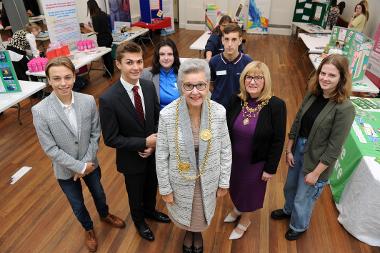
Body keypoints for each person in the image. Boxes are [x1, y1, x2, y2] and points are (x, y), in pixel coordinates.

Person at [31, 57, 125, 253]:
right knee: (77, 204)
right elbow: (50, 148)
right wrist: (79, 167)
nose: (63, 83)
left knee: (99, 193)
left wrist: (86, 164)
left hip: (90, 163)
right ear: (48, 80)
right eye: (56, 78)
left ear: (75, 76)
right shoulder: (39, 111)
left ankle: (104, 214)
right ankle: (88, 228)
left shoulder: (88, 101)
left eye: (67, 77)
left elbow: (94, 133)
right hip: (65, 170)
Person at [271, 54, 355, 241]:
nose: (325, 78)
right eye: (322, 73)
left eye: (331, 75)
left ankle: (298, 226)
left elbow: (334, 148)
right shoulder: (312, 94)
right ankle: (288, 210)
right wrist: (289, 148)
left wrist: (316, 173)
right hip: (299, 147)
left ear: (342, 78)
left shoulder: (345, 108)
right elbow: (298, 120)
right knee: (291, 186)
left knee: (305, 196)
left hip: (318, 159)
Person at [156, 58, 232, 253]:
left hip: (208, 178)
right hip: (180, 179)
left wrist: (224, 181)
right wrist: (165, 188)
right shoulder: (167, 115)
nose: (195, 91)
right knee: (185, 215)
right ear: (181, 86)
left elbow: (225, 149)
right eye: (188, 86)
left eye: (200, 85)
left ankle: (196, 234)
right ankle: (189, 233)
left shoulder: (219, 112)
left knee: (200, 215)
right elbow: (161, 155)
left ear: (208, 85)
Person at [99, 41, 170, 242]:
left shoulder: (147, 86)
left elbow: (157, 119)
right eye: (129, 62)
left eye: (139, 61)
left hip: (152, 152)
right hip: (131, 160)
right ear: (118, 64)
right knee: (135, 193)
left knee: (151, 186)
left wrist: (152, 143)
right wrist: (142, 143)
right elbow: (111, 138)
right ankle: (139, 221)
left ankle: (150, 211)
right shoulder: (108, 99)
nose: (136, 67)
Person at [225, 61, 286, 240]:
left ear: (265, 80)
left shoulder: (276, 105)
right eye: (249, 77)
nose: (252, 81)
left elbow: (278, 139)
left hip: (256, 162)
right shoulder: (236, 100)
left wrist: (270, 168)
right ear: (243, 80)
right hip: (234, 159)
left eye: (258, 77)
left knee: (250, 192)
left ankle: (245, 220)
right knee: (235, 187)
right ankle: (237, 208)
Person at [209, 23, 252, 108]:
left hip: (239, 108)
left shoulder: (248, 62)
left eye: (234, 39)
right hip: (217, 107)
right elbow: (211, 85)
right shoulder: (214, 61)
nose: (229, 44)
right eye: (226, 39)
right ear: (222, 40)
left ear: (240, 41)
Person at [141, 38, 181, 109]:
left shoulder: (183, 74)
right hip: (157, 118)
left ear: (174, 56)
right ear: (157, 57)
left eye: (169, 54)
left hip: (178, 117)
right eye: (162, 54)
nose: (166, 58)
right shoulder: (146, 74)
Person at [87, 0, 114, 77]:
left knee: (105, 57)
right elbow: (105, 26)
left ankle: (109, 74)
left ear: (90, 7)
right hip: (108, 36)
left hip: (102, 39)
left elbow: (96, 31)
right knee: (108, 55)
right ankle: (111, 72)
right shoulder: (103, 14)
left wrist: (88, 27)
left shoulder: (94, 16)